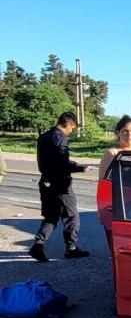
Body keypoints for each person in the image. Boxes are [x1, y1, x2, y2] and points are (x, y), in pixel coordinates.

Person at [29, 112, 93, 262]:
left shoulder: (44, 136)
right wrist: (79, 169)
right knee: (72, 216)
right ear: (68, 125)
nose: (71, 131)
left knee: (51, 216)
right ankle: (71, 248)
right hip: (60, 185)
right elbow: (60, 164)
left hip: (46, 182)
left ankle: (38, 245)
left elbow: (51, 161)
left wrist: (72, 164)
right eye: (72, 128)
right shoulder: (60, 138)